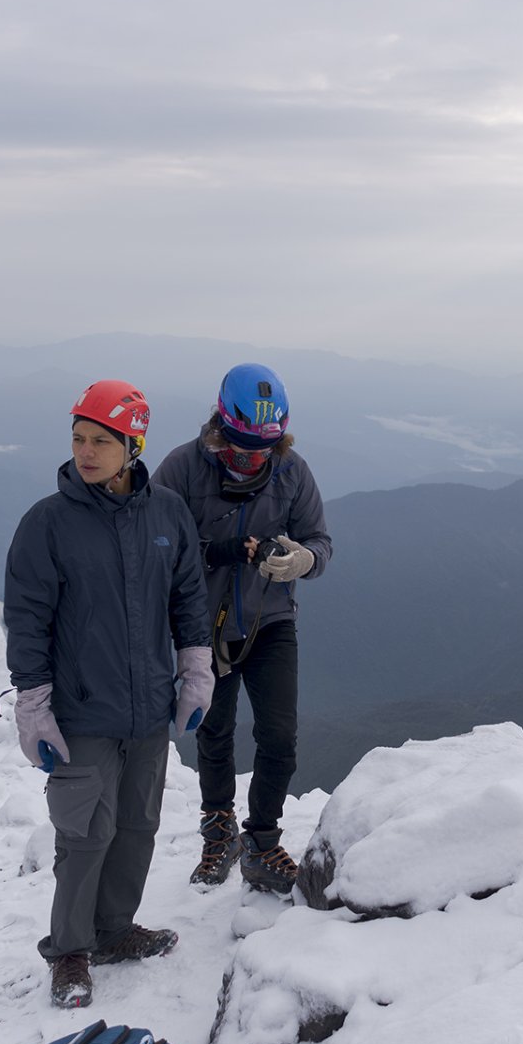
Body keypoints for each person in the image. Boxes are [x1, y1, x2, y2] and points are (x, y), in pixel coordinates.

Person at [4, 379, 215, 1009]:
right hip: (81, 711)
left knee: (136, 826)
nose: (85, 452)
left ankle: (115, 931)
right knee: (84, 834)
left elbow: (188, 595)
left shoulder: (167, 513)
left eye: (101, 440)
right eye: (78, 438)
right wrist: (33, 704)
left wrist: (195, 668)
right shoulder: (48, 523)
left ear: (134, 444)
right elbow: (28, 617)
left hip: (148, 706)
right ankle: (70, 951)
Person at [153, 363, 332, 896]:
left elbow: (320, 541)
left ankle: (261, 841)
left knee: (279, 734)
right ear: (219, 424)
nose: (249, 458)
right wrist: (223, 552)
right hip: (203, 624)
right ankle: (218, 828)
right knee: (215, 728)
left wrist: (303, 560)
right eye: (238, 446)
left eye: (261, 451)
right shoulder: (183, 470)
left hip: (269, 619)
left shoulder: (292, 471)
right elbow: (157, 547)